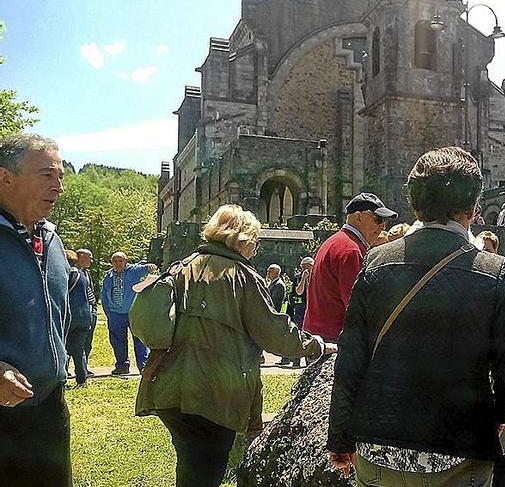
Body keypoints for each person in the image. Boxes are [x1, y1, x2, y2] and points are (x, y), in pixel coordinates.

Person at [327, 146, 505, 486]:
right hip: (461, 446)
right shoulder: (495, 271)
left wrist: (339, 436)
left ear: (415, 205)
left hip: (381, 447)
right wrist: (498, 415)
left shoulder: (375, 263)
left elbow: (351, 362)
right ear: (472, 208)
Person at [135, 204, 332, 487]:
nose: (256, 247)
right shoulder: (242, 276)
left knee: (191, 468)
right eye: (255, 240)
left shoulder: (182, 265)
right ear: (241, 239)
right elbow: (274, 333)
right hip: (213, 395)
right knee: (203, 474)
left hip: (170, 389)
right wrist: (316, 346)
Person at [0, 133, 72, 486]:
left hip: (50, 410)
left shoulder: (53, 240)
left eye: (60, 176)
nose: (58, 186)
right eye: (46, 175)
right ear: (5, 177)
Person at [303, 192, 397, 342]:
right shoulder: (351, 250)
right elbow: (358, 307)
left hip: (319, 338)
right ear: (359, 217)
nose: (382, 226)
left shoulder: (334, 242)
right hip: (335, 342)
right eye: (378, 219)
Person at [100, 252, 155, 374]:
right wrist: (108, 313)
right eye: (115, 261)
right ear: (112, 262)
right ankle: (122, 366)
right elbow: (104, 295)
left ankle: (144, 367)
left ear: (126, 261)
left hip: (133, 313)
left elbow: (148, 268)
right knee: (118, 342)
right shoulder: (108, 276)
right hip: (115, 314)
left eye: (120, 261)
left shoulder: (134, 271)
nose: (118, 264)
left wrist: (150, 266)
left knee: (139, 340)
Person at [65, 250, 94, 387]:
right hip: (84, 316)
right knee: (79, 349)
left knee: (63, 347)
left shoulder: (69, 273)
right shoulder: (82, 275)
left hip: (71, 316)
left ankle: (62, 378)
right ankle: (82, 379)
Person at [75, 248, 99, 371]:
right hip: (79, 312)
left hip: (91, 309)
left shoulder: (86, 272)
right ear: (82, 256)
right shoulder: (73, 272)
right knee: (75, 342)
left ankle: (83, 368)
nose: (92, 260)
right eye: (90, 257)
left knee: (87, 342)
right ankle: (68, 369)